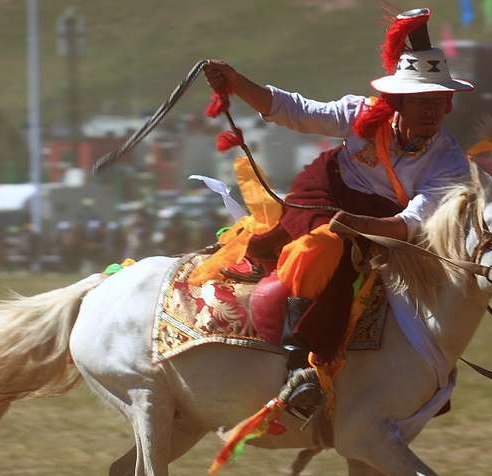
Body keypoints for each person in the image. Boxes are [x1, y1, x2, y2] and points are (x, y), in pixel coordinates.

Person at [202, 7, 474, 419]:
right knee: (324, 251)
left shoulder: (449, 159)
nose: (431, 109)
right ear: (399, 99)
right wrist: (237, 84)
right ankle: (298, 368)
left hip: (387, 223)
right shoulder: (362, 115)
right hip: (325, 194)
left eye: (439, 99)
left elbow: (417, 218)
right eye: (422, 99)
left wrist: (362, 227)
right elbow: (297, 111)